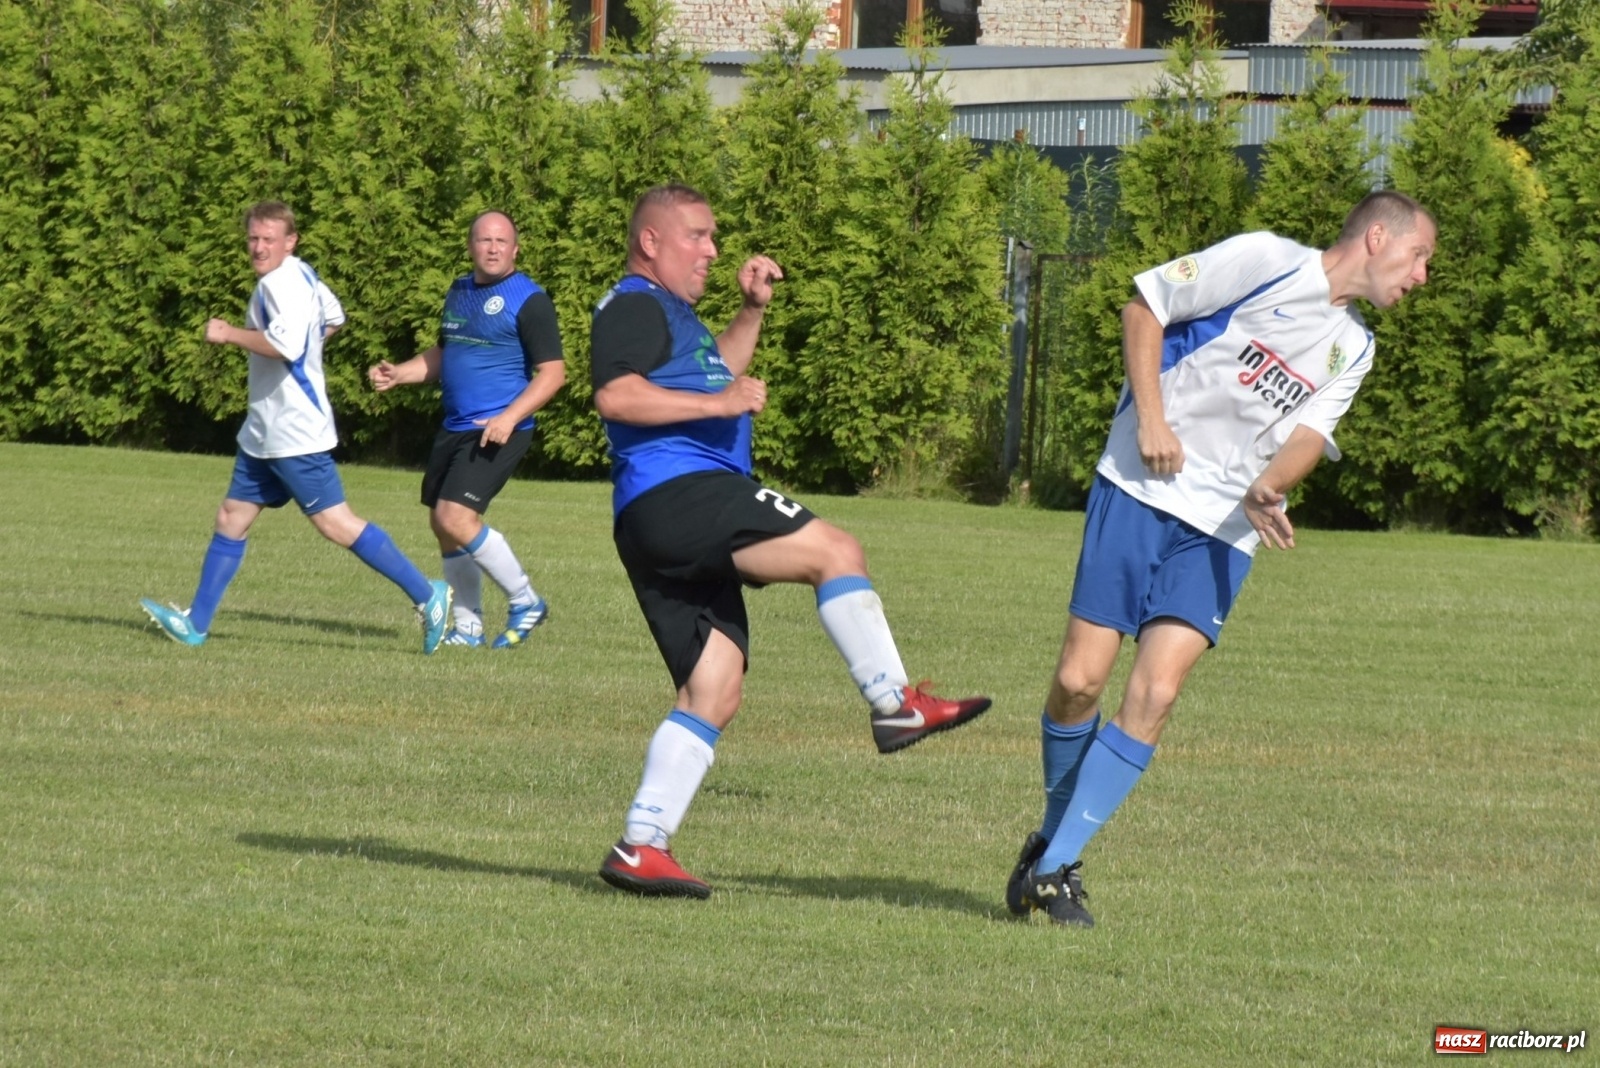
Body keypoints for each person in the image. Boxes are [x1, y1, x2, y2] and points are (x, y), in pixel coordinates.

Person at [1006, 191, 1437, 927]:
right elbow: (1144, 308)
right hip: (1139, 488)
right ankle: (1051, 840)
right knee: (1079, 682)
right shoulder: (1266, 261)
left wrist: (1272, 486)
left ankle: (1055, 866)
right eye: (1420, 256)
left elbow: (1310, 432)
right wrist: (1150, 418)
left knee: (1159, 693)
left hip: (1222, 528)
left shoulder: (1356, 347)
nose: (1422, 276)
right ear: (1376, 237)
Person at [591, 184, 992, 898]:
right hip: (682, 492)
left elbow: (718, 369)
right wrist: (720, 404)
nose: (713, 250)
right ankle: (894, 700)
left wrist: (750, 313)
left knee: (713, 690)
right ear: (651, 242)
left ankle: (641, 845)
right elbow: (616, 396)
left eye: (714, 238)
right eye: (698, 236)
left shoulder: (670, 316)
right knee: (835, 552)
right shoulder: (632, 304)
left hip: (654, 514)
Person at [140, 201, 452, 654]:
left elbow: (285, 346)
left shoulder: (277, 284)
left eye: (270, 239)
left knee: (336, 524)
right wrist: (307, 351)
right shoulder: (301, 273)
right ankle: (196, 625)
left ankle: (429, 595)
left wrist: (228, 334)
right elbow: (334, 318)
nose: (260, 247)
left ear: (291, 241)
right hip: (265, 429)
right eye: (253, 238)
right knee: (231, 516)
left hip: (294, 432)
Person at [367, 211, 566, 649]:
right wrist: (399, 373)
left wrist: (509, 417)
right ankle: (469, 627)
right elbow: (444, 352)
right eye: (483, 240)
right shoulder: (459, 291)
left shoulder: (529, 299)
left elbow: (553, 374)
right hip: (455, 426)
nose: (492, 248)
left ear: (515, 249)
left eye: (501, 241)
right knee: (444, 526)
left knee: (454, 517)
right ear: (471, 245)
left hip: (500, 427)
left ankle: (525, 598)